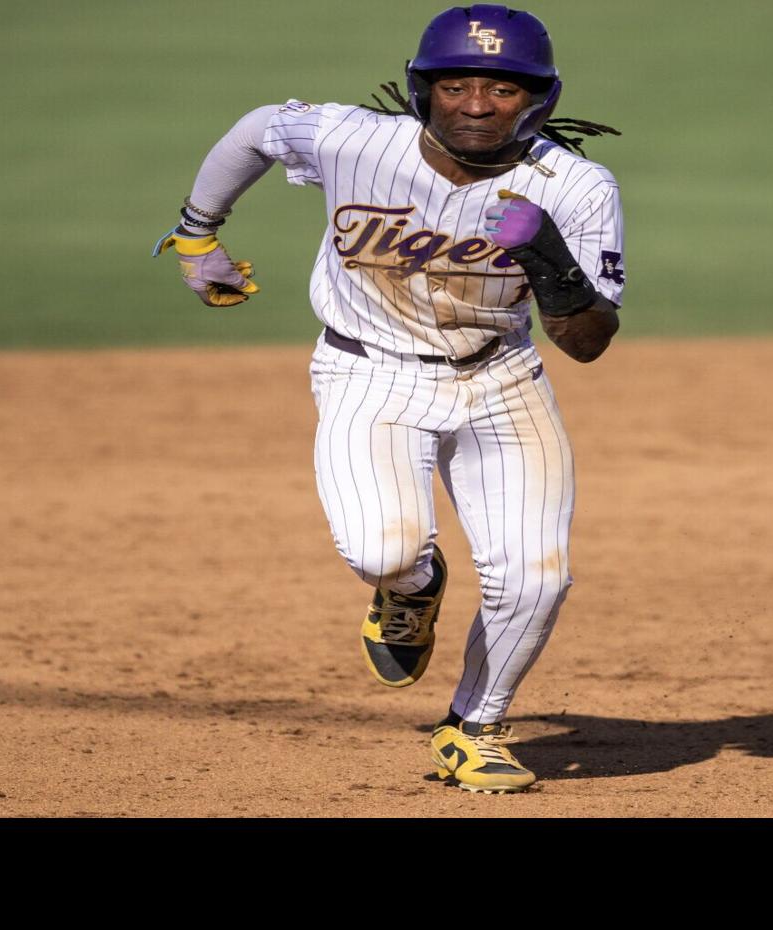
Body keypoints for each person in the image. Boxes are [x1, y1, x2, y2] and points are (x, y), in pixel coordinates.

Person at [152, 4, 625, 793]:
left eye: (503, 89)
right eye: (456, 84)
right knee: (385, 551)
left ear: (539, 98)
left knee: (537, 577)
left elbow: (587, 341)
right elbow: (261, 128)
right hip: (367, 374)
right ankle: (410, 590)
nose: (476, 103)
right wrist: (199, 232)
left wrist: (549, 258)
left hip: (502, 380)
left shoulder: (575, 185)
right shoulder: (353, 139)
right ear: (421, 89)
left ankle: (475, 725)